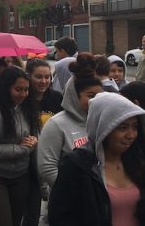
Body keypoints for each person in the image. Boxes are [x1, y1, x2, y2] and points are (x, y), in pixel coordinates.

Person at [48, 92, 145, 226]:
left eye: (135, 127)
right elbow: (60, 217)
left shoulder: (138, 161)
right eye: (122, 128)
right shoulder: (77, 165)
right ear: (103, 128)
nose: (131, 135)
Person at [0, 67, 38, 226]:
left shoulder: (26, 108)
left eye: (26, 90)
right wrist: (24, 148)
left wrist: (33, 141)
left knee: (15, 221)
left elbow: (32, 136)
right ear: (6, 88)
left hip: (19, 175)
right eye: (18, 89)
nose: (23, 94)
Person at [37, 53, 103, 189]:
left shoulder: (102, 122)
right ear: (74, 96)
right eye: (90, 96)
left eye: (99, 95)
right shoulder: (56, 125)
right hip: (70, 201)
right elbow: (47, 167)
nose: (96, 100)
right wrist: (70, 194)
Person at [22, 59, 63, 226]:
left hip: (52, 159)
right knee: (30, 211)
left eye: (47, 77)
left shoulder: (57, 98)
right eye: (39, 77)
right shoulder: (22, 98)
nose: (44, 81)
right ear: (28, 77)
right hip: (27, 162)